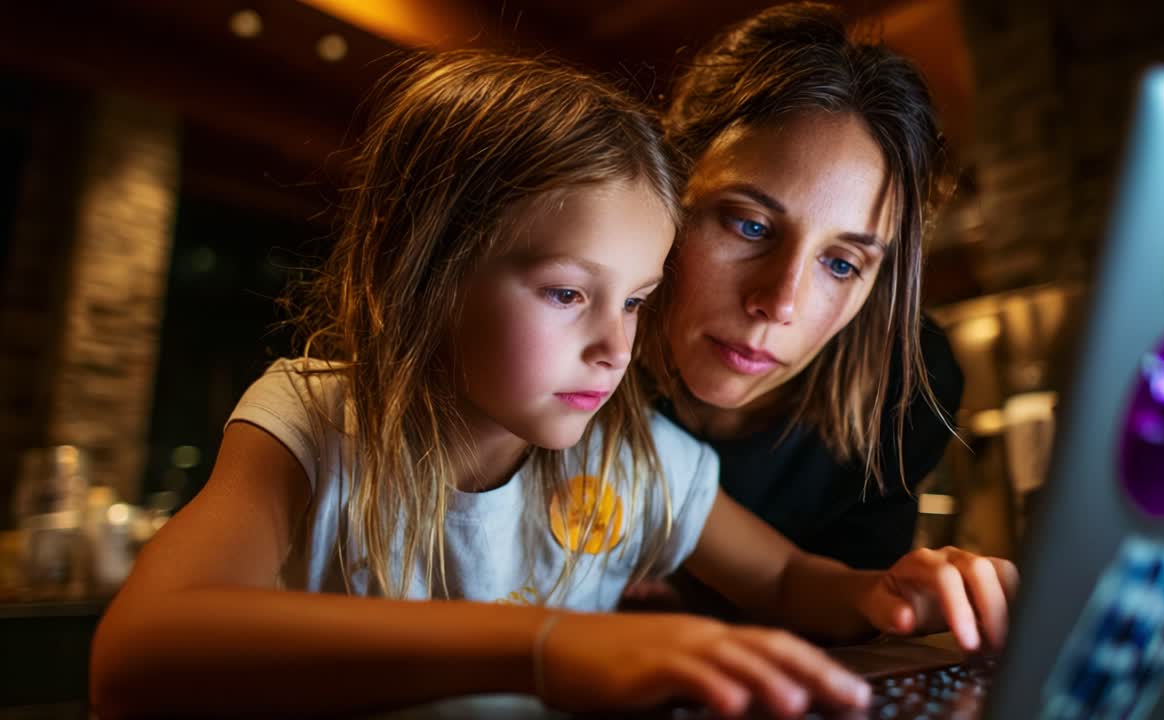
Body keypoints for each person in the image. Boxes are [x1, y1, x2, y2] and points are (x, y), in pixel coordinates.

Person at [90, 47, 1013, 720]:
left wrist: (888, 595)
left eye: (639, 301)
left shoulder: (635, 453)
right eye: (570, 293)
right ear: (425, 271)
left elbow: (782, 578)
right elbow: (137, 655)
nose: (616, 347)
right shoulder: (315, 420)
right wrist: (550, 647)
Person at [625, 2, 972, 620]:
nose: (779, 303)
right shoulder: (564, 370)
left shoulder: (905, 390)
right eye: (750, 225)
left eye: (841, 264)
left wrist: (906, 598)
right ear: (666, 189)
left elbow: (819, 598)